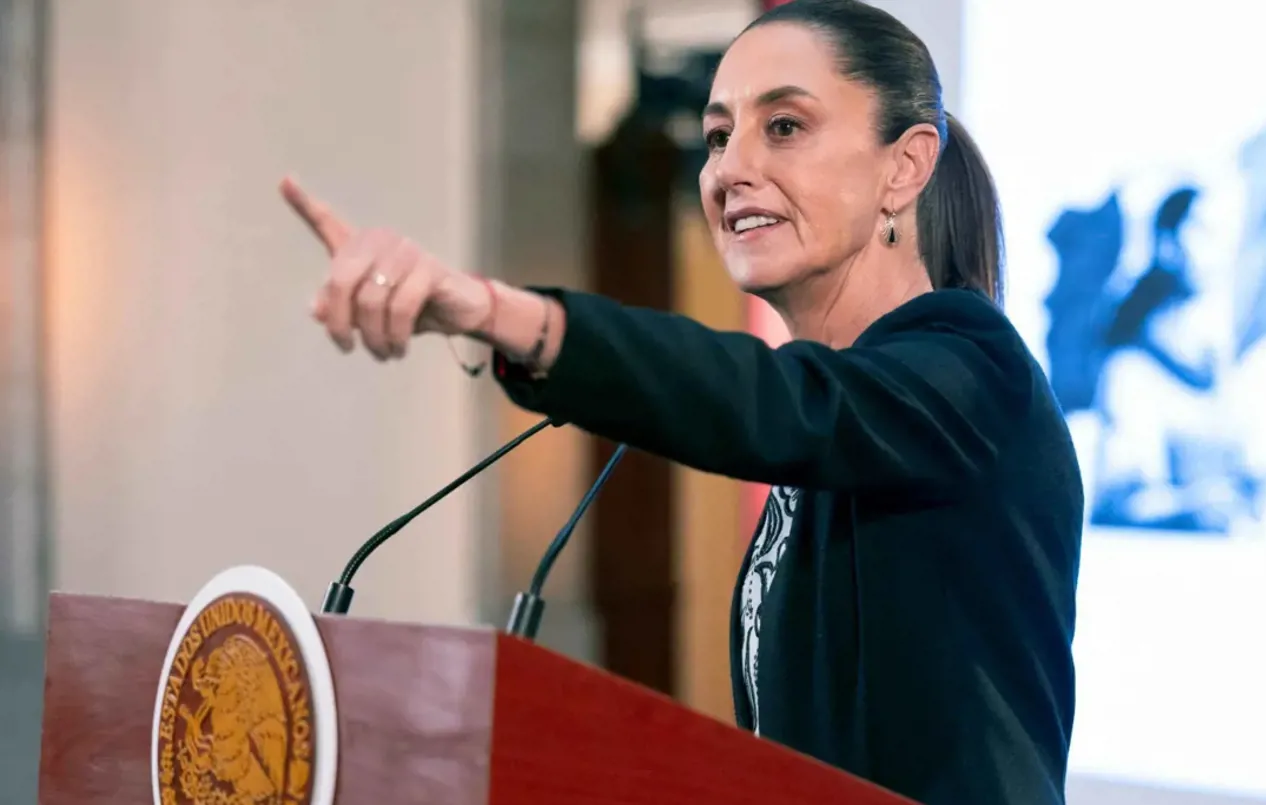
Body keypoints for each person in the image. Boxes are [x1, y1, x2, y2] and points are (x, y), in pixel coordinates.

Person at [281, 0, 1083, 802]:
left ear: (904, 167)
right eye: (718, 136)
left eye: (784, 127)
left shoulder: (973, 368)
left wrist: (502, 313)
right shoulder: (834, 425)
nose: (729, 169)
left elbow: (781, 405)